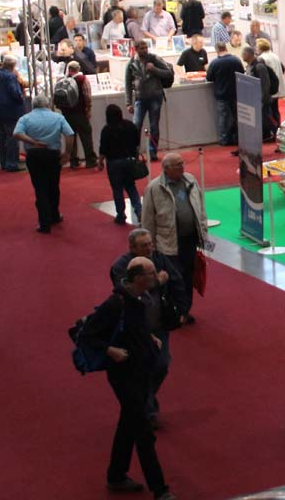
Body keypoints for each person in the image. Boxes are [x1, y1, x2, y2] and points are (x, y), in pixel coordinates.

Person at [78, 257, 175, 499]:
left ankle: (116, 475)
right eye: (151, 274)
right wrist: (110, 350)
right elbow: (87, 335)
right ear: (139, 278)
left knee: (128, 425)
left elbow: (135, 328)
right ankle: (160, 489)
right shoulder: (115, 303)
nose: (156, 277)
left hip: (141, 372)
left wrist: (149, 339)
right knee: (143, 433)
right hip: (123, 377)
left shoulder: (141, 298)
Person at [110, 230, 187, 428]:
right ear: (132, 247)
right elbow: (129, 291)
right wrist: (158, 282)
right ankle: (147, 411)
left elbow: (177, 280)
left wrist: (183, 309)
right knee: (140, 370)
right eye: (144, 245)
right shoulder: (121, 267)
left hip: (159, 325)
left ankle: (145, 400)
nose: (149, 248)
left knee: (161, 365)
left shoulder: (159, 259)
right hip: (135, 329)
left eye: (150, 243)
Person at [142, 153, 209, 322]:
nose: (182, 167)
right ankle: (174, 310)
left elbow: (200, 209)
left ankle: (185, 311)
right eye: (177, 165)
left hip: (190, 239)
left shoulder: (190, 180)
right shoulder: (154, 188)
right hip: (168, 242)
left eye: (182, 163)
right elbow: (148, 219)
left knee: (188, 276)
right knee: (174, 278)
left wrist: (204, 234)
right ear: (166, 169)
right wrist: (149, 246)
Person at [13, 95, 74, 233]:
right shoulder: (58, 117)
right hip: (53, 155)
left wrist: (33, 142)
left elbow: (17, 133)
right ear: (48, 104)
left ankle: (44, 222)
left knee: (40, 188)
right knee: (54, 186)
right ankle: (54, 215)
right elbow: (70, 134)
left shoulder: (25, 118)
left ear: (33, 105)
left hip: (34, 155)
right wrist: (67, 153)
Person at [126, 39, 172, 161]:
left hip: (155, 97)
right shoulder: (131, 63)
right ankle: (135, 152)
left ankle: (153, 152)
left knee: (154, 126)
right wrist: (128, 102)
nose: (145, 50)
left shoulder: (154, 58)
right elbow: (127, 84)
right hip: (140, 98)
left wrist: (154, 70)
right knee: (136, 125)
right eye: (142, 48)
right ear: (136, 49)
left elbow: (168, 73)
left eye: (146, 48)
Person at [99, 103, 144, 226]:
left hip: (113, 163)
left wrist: (100, 162)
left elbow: (103, 149)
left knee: (117, 189)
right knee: (131, 187)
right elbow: (137, 143)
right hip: (128, 161)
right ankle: (139, 210)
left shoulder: (107, 129)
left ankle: (121, 214)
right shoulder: (130, 125)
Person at [0, 55, 24, 172]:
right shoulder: (11, 76)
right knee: (12, 137)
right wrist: (21, 98)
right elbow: (15, 92)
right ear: (14, 65)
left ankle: (3, 162)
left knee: (2, 136)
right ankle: (12, 163)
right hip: (9, 110)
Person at [205, 41, 244, 146]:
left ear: (217, 50)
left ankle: (224, 139)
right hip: (235, 93)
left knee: (223, 117)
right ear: (226, 48)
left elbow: (209, 78)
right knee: (236, 116)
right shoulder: (236, 60)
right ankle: (237, 138)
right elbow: (242, 73)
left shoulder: (215, 63)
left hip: (221, 94)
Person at [63, 61, 97, 168]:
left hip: (67, 114)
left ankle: (73, 161)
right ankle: (90, 160)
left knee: (71, 137)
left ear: (69, 69)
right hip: (80, 112)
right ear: (78, 68)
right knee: (86, 136)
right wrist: (88, 109)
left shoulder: (63, 80)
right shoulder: (82, 79)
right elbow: (87, 96)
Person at [243, 45, 276, 143]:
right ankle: (266, 135)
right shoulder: (251, 66)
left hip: (262, 99)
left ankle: (275, 133)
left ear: (248, 54)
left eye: (243, 54)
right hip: (255, 98)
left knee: (267, 118)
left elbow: (265, 84)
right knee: (262, 119)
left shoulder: (259, 67)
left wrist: (262, 98)